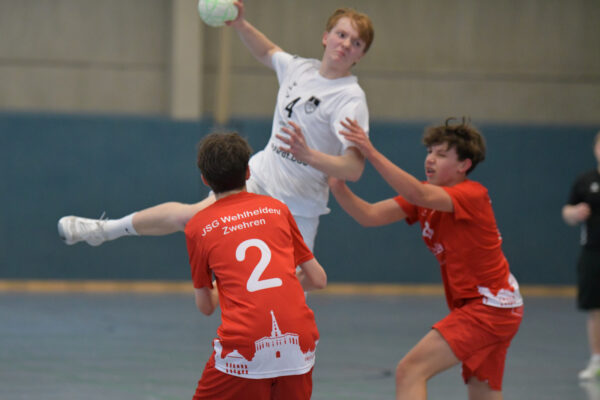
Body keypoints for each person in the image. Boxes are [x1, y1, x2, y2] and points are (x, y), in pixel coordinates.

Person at [57, 2, 374, 252]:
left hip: (299, 204)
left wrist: (309, 155)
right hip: (258, 180)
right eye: (341, 34)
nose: (346, 44)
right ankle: (104, 230)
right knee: (190, 216)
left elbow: (354, 168)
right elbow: (266, 51)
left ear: (360, 55)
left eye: (356, 42)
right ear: (326, 36)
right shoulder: (299, 69)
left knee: (295, 286)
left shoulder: (349, 99)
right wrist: (240, 24)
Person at [328, 117, 523, 400]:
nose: (430, 159)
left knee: (411, 370)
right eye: (429, 152)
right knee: (482, 389)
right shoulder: (425, 197)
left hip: (489, 307)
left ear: (464, 165)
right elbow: (369, 215)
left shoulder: (471, 194)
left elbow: (416, 193)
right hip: (500, 307)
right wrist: (338, 187)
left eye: (441, 155)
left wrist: (369, 151)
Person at [185, 131, 326, 399]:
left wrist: (228, 284)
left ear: (204, 179)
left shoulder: (198, 226)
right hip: (301, 342)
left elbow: (206, 306)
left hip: (247, 344)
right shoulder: (277, 209)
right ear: (248, 172)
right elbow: (318, 279)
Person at [562, 131, 600, 381]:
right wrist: (574, 213)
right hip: (593, 251)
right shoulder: (585, 181)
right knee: (595, 308)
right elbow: (566, 211)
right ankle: (597, 359)